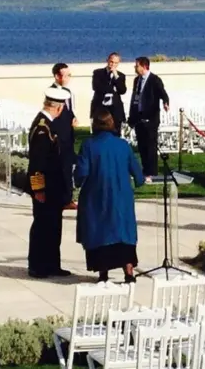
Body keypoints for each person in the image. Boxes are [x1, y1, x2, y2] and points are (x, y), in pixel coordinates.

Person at [74, 109, 144, 283]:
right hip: (121, 199)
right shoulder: (123, 145)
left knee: (100, 232)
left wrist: (76, 181)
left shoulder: (89, 146)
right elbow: (138, 175)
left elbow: (81, 174)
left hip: (96, 198)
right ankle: (128, 271)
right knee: (123, 234)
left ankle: (103, 272)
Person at [26, 87, 73, 279]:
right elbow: (37, 162)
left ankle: (52, 264)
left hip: (54, 187)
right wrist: (39, 189)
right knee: (42, 226)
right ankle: (38, 265)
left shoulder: (47, 124)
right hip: (46, 187)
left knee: (53, 226)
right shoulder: (42, 128)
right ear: (59, 108)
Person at [127, 56, 170, 184]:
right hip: (139, 118)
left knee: (150, 146)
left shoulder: (154, 80)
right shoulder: (137, 80)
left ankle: (151, 172)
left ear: (144, 66)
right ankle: (145, 170)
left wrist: (166, 102)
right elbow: (135, 98)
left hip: (151, 119)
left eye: (137, 66)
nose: (135, 68)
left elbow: (163, 93)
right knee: (142, 146)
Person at [49, 62, 78, 210]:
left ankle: (68, 198)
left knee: (68, 168)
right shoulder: (52, 92)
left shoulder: (68, 92)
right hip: (58, 135)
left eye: (69, 75)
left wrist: (73, 118)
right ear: (56, 76)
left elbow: (70, 109)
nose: (67, 78)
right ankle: (62, 198)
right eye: (64, 75)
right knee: (59, 168)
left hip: (69, 135)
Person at [90, 52, 127, 135]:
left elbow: (122, 91)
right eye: (111, 62)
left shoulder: (120, 76)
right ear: (107, 60)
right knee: (99, 132)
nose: (113, 64)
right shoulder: (98, 73)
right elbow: (96, 87)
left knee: (116, 133)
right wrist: (112, 88)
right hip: (100, 107)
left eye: (116, 63)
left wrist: (116, 77)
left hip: (115, 109)